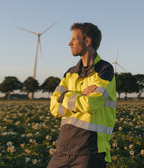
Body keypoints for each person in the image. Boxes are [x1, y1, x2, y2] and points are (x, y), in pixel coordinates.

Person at [48, 22, 117, 168]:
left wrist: (65, 96)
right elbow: (54, 108)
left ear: (87, 41)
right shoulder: (70, 73)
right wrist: (79, 94)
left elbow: (90, 104)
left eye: (74, 39)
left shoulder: (105, 70)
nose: (69, 43)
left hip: (90, 151)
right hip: (62, 149)